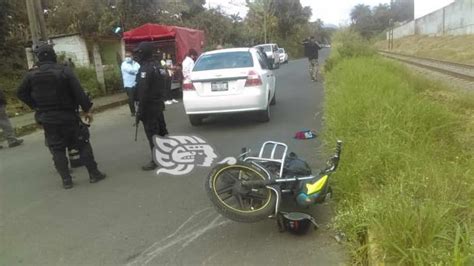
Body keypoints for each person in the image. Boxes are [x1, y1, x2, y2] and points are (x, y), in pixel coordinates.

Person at [17, 44, 106, 189]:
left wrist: (36, 106)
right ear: (53, 55)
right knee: (82, 143)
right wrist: (87, 109)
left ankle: (66, 180)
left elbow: (20, 93)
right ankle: (94, 174)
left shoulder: (31, 75)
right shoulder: (64, 71)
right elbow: (78, 92)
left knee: (57, 148)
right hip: (68, 115)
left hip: (47, 118)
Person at [133, 42, 169, 171]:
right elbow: (165, 85)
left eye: (139, 52)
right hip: (158, 104)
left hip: (149, 107)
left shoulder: (146, 69)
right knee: (162, 130)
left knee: (152, 133)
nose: (137, 55)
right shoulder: (158, 66)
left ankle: (157, 159)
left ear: (144, 52)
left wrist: (140, 111)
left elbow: (143, 92)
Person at [121, 51, 140, 116]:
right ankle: (133, 112)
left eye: (129, 56)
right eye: (126, 56)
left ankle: (139, 110)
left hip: (136, 83)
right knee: (131, 98)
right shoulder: (124, 64)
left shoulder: (136, 63)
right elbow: (130, 70)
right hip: (128, 84)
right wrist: (136, 71)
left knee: (138, 97)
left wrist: (136, 71)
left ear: (132, 56)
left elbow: (139, 69)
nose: (127, 57)